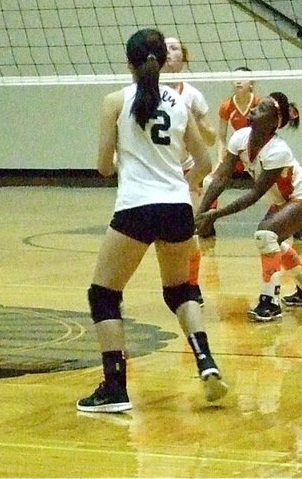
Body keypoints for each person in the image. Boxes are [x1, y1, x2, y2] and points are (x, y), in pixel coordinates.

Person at [76, 28, 227, 413]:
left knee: (104, 294)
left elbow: (103, 168)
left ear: (129, 63)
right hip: (177, 208)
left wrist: (125, 162)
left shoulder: (114, 102)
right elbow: (206, 162)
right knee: (180, 291)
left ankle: (115, 387)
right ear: (161, 61)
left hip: (136, 207)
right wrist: (181, 184)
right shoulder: (179, 102)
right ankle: (206, 361)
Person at [195, 92, 302, 322]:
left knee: (266, 235)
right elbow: (221, 178)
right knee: (272, 239)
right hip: (284, 200)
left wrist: (217, 214)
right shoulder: (241, 138)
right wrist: (201, 213)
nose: (254, 109)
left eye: (262, 109)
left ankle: (270, 302)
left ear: (273, 121)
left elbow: (255, 194)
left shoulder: (278, 150)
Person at [160, 37, 217, 279]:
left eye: (174, 48)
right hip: (159, 172)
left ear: (183, 57)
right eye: (164, 49)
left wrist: (193, 119)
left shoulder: (193, 95)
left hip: (187, 170)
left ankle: (191, 286)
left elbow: (212, 138)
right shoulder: (145, 90)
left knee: (189, 233)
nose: (169, 53)